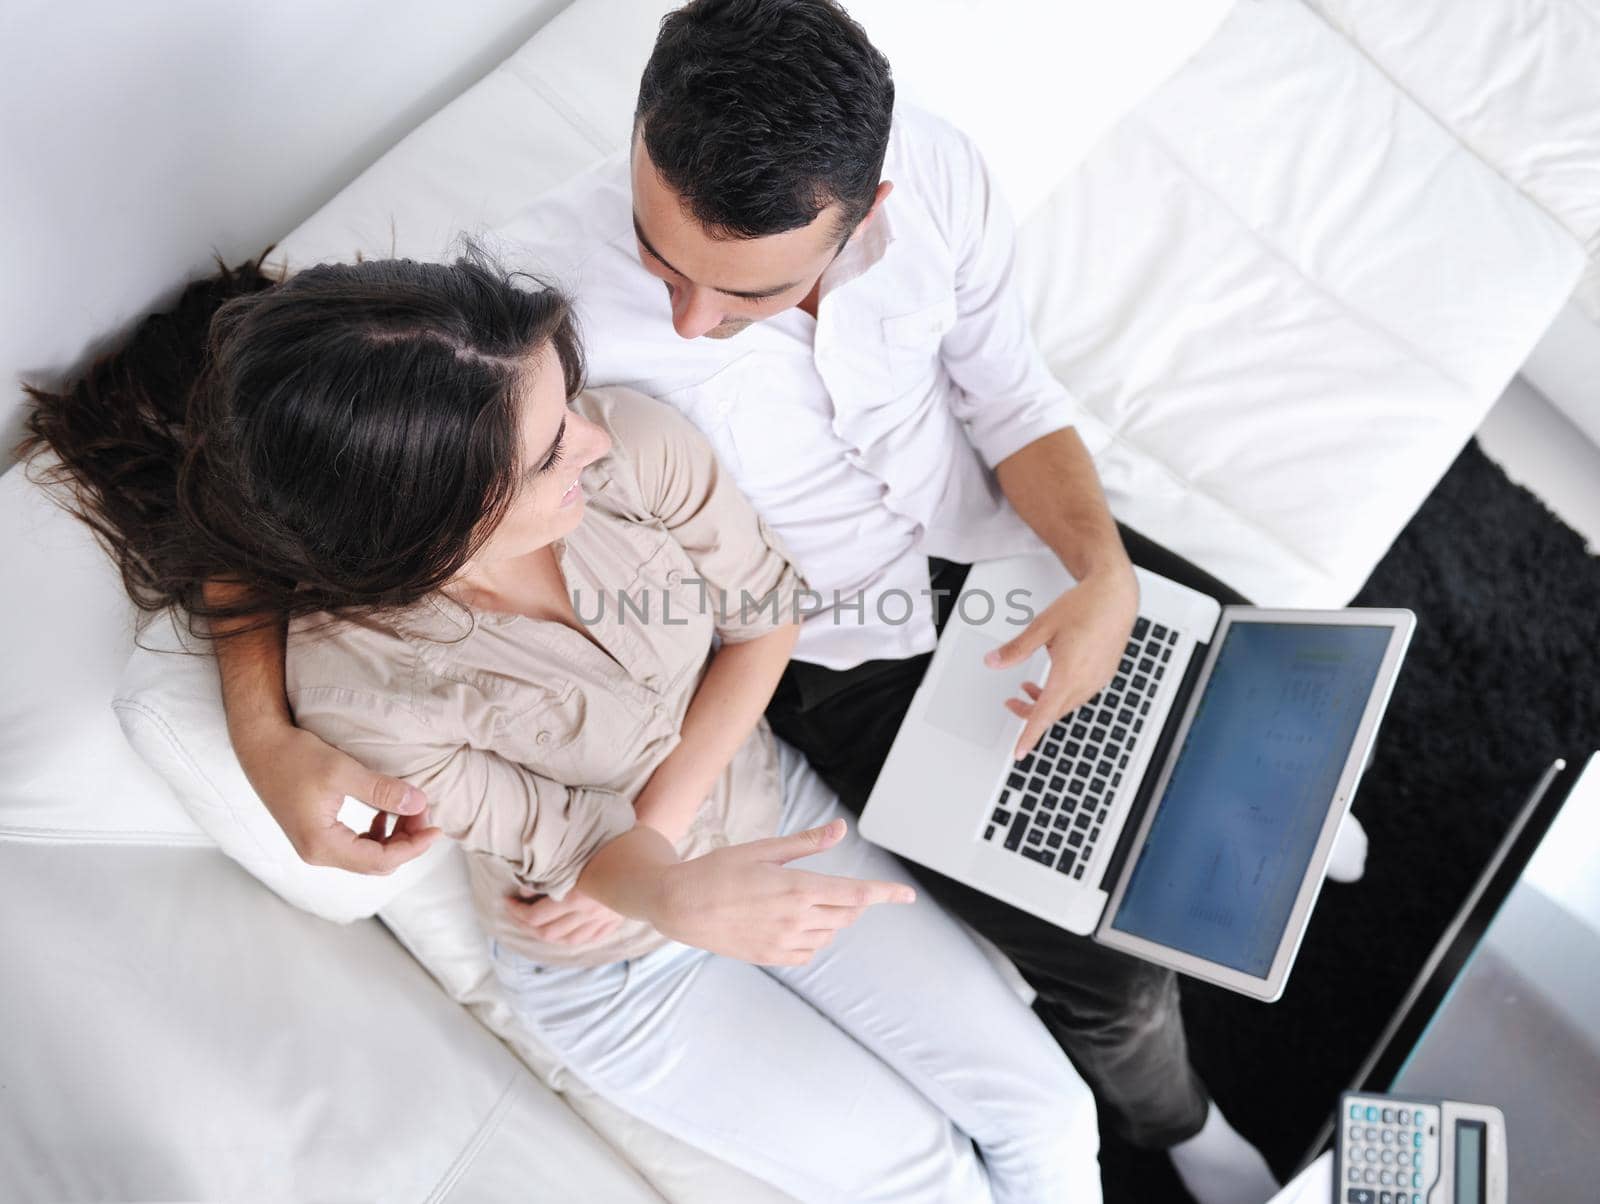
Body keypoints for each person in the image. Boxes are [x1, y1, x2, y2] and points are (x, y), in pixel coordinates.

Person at [215, 2, 1298, 1200]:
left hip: (987, 530)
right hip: (848, 660)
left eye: (741, 298)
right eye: (660, 259)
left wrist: (1097, 569)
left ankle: (1285, 811)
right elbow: (283, 476)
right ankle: (1179, 1121)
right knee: (1115, 959)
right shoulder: (527, 316)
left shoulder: (930, 175)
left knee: (1253, 689)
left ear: (863, 212)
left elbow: (1008, 391)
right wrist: (268, 735)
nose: (684, 320)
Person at [24, 252, 1102, 1203]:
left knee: (1052, 1117)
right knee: (930, 1182)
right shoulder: (361, 693)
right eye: (547, 455)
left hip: (766, 815)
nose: (590, 440)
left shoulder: (631, 447)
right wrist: (663, 889)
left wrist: (672, 846)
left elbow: (764, 615)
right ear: (429, 533)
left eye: (568, 398)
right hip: (620, 972)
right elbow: (576, 850)